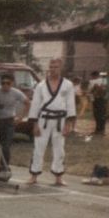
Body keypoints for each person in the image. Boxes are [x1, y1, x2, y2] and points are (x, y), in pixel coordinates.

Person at [27, 58, 76, 186]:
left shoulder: (68, 85)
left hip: (60, 120)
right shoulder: (41, 85)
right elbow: (35, 105)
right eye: (51, 66)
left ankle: (58, 176)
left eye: (56, 67)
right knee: (39, 148)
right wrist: (35, 124)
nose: (53, 69)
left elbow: (70, 104)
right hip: (44, 119)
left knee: (59, 149)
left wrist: (69, 124)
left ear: (61, 68)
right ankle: (34, 175)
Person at [0, 73, 29, 172]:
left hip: (9, 121)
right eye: (3, 83)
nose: (5, 85)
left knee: (6, 146)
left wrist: (20, 118)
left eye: (8, 83)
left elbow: (28, 103)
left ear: (12, 83)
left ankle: (4, 166)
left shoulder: (16, 93)